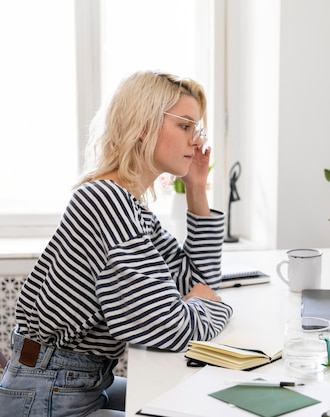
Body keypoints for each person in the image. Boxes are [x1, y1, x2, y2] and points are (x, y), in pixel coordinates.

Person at [0, 70, 233, 416]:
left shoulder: (132, 207)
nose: (196, 141)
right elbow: (169, 328)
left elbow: (197, 281)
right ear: (143, 125)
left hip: (76, 381)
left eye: (196, 129)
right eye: (185, 126)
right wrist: (214, 307)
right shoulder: (106, 202)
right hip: (47, 391)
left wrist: (196, 189)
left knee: (189, 399)